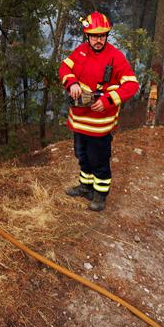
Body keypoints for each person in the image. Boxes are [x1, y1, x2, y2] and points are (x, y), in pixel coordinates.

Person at [58, 12, 139, 212]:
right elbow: (64, 68)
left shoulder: (116, 57)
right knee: (82, 156)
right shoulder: (80, 51)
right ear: (87, 36)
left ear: (107, 35)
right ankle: (85, 187)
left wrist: (108, 100)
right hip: (79, 120)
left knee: (99, 160)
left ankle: (100, 195)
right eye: (94, 36)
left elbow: (131, 85)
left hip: (100, 124)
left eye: (102, 35)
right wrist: (72, 82)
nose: (98, 40)